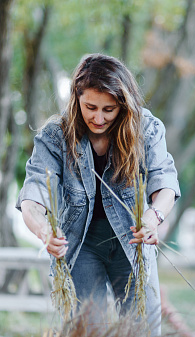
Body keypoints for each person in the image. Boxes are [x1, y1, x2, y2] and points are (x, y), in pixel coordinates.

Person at [16, 53, 180, 336]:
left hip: (134, 242)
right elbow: (34, 195)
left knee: (142, 329)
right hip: (81, 246)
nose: (99, 118)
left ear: (123, 105)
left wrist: (154, 217)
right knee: (86, 329)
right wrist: (45, 232)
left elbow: (164, 181)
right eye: (90, 107)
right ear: (76, 97)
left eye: (109, 109)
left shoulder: (147, 128)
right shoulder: (55, 136)